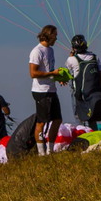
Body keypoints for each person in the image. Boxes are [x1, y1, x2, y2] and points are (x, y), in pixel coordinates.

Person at [28, 25, 63, 155]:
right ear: (49, 35)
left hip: (51, 89)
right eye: (55, 35)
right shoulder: (37, 51)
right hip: (41, 91)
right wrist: (51, 73)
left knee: (57, 120)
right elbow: (33, 73)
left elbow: (49, 71)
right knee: (41, 123)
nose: (56, 38)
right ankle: (41, 153)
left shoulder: (50, 50)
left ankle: (50, 149)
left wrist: (58, 77)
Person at [65, 35, 101, 130]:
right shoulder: (95, 57)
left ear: (73, 47)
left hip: (79, 94)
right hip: (94, 93)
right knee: (92, 117)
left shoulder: (71, 60)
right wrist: (100, 89)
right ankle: (95, 138)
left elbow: (66, 73)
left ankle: (83, 139)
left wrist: (71, 56)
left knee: (79, 116)